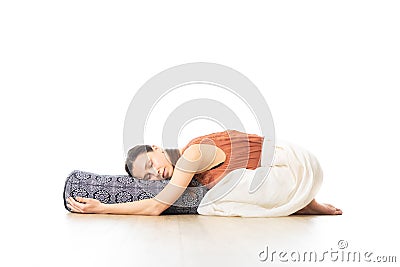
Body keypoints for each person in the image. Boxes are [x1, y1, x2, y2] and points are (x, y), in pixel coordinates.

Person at [67, 130, 342, 216]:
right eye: (148, 178)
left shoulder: (191, 156)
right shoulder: (188, 153)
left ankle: (303, 202)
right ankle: (305, 202)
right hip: (293, 167)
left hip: (294, 166)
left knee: (214, 201)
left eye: (151, 164)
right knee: (217, 191)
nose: (156, 174)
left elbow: (156, 206)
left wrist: (102, 208)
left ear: (156, 147)